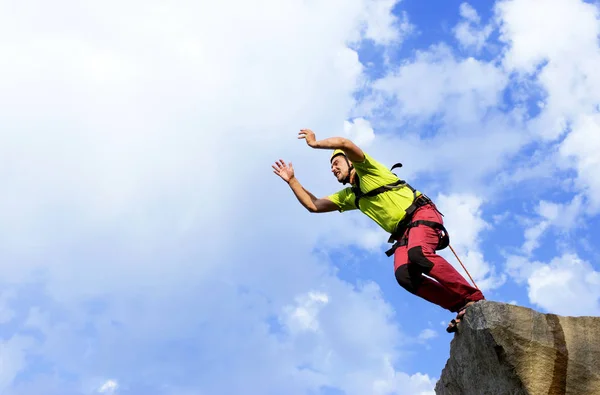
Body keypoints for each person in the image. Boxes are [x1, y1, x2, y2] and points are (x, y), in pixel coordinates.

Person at [272, 129, 485, 332]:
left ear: (349, 161)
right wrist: (292, 181)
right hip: (403, 233)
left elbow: (344, 143)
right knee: (405, 276)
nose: (332, 169)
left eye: (336, 163)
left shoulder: (369, 170)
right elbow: (314, 205)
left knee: (418, 253)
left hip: (421, 214)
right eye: (331, 167)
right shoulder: (350, 195)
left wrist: (315, 143)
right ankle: (460, 305)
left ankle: (472, 298)